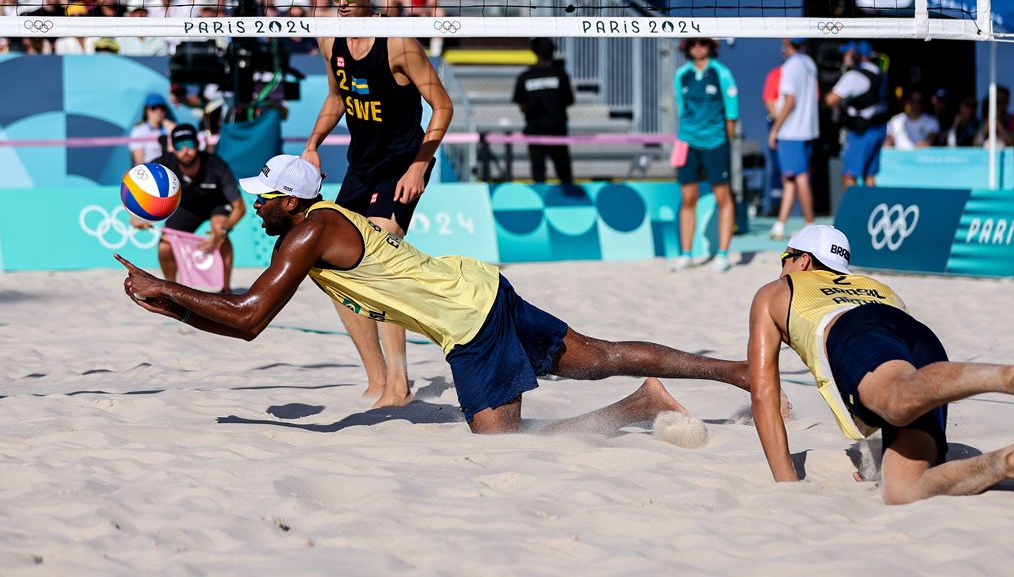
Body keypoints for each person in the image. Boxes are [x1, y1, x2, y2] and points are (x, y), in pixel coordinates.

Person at [116, 154, 763, 435]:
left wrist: (164, 285)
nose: (256, 207)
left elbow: (250, 317)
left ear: (292, 200)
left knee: (505, 446)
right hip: (478, 283)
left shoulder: (309, 230)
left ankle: (637, 409)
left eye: (263, 198)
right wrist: (174, 304)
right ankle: (738, 372)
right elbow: (244, 317)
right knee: (596, 354)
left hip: (467, 318)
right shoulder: (318, 227)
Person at [747, 224, 1014, 504]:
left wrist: (786, 484)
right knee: (902, 490)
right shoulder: (875, 285)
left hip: (855, 331)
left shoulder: (775, 291)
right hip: (919, 338)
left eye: (784, 258)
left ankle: (1007, 376)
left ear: (802, 260)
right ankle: (1013, 459)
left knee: (896, 400)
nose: (781, 267)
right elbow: (894, 351)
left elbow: (763, 396)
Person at [302, 0, 454, 409]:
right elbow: (336, 97)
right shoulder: (331, 40)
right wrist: (312, 145)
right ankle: (377, 378)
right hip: (359, 165)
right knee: (328, 264)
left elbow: (443, 106)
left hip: (400, 164)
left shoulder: (400, 43)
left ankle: (400, 385)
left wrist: (419, 166)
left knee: (382, 258)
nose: (341, 0)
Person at [133, 124, 246, 293]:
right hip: (187, 208)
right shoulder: (164, 165)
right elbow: (136, 184)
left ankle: (226, 289)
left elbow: (240, 207)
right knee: (164, 245)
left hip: (216, 205)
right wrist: (136, 214)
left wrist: (224, 230)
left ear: (198, 144)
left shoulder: (216, 166)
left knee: (220, 234)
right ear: (173, 147)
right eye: (179, 145)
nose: (185, 150)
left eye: (189, 144)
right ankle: (170, 289)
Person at [669, 37, 738, 273]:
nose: (697, 46)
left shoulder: (722, 73)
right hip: (688, 142)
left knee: (723, 197)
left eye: (703, 42)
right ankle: (686, 254)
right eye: (693, 43)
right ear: (687, 47)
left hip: (716, 143)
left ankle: (723, 254)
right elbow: (682, 109)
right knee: (688, 198)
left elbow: (732, 113)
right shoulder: (682, 75)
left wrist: (723, 142)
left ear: (711, 46)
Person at [768, 38, 819, 240]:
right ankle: (780, 225)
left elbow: (789, 101)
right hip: (806, 130)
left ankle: (810, 226)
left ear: (788, 44)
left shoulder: (791, 66)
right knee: (790, 179)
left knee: (800, 178)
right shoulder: (810, 63)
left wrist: (775, 129)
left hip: (792, 132)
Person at [823, 40, 890, 191]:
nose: (844, 57)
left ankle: (851, 214)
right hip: (878, 129)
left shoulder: (854, 77)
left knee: (849, 176)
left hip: (862, 131)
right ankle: (873, 213)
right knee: (869, 176)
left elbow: (829, 100)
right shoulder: (880, 73)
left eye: (847, 54)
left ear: (857, 56)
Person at [511, 36, 575, 185]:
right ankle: (569, 204)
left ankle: (542, 202)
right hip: (555, 130)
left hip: (537, 131)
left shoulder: (525, 77)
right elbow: (569, 101)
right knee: (564, 173)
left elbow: (522, 105)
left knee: (538, 174)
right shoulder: (560, 74)